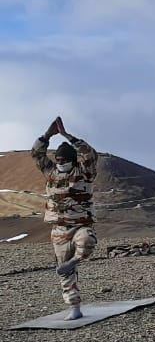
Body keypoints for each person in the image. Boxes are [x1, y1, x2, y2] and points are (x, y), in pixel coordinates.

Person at [31, 117, 97, 320]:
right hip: (59, 228)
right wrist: (47, 135)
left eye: (63, 160)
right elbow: (36, 154)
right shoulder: (50, 172)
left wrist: (68, 136)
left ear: (71, 160)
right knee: (64, 271)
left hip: (80, 224)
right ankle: (74, 307)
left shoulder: (84, 172)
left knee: (87, 243)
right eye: (57, 160)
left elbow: (90, 155)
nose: (59, 163)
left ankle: (76, 260)